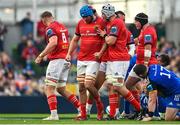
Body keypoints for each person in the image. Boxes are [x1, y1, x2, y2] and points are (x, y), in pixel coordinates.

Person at [97, 4, 140, 120]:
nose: (102, 15)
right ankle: (112, 114)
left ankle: (139, 108)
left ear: (108, 14)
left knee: (119, 86)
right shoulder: (110, 23)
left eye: (103, 13)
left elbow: (111, 41)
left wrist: (104, 35)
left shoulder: (116, 23)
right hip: (113, 59)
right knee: (111, 86)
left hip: (119, 59)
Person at [35, 11, 80, 120]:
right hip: (65, 59)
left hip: (57, 61)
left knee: (49, 88)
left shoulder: (50, 28)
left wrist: (41, 55)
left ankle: (54, 115)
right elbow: (69, 41)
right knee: (61, 89)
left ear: (44, 19)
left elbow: (53, 42)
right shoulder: (62, 27)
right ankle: (80, 108)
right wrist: (68, 54)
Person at [66, 5, 105, 120]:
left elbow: (106, 40)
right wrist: (69, 53)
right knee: (81, 88)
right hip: (81, 59)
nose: (85, 19)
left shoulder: (101, 23)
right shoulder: (80, 23)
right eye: (83, 17)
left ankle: (99, 105)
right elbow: (75, 40)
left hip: (94, 59)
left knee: (88, 85)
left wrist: (101, 53)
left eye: (86, 17)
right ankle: (83, 114)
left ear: (91, 14)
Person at [125, 12, 158, 119]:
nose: (135, 23)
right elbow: (138, 41)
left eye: (136, 21)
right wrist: (127, 43)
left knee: (150, 90)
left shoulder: (148, 31)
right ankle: (139, 108)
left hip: (147, 65)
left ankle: (153, 114)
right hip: (139, 64)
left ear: (141, 21)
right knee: (128, 85)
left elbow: (148, 50)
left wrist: (145, 66)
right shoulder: (143, 30)